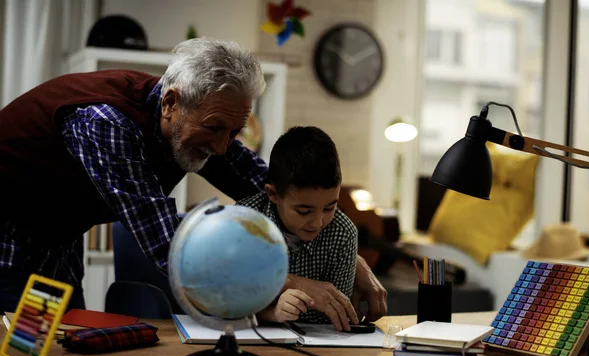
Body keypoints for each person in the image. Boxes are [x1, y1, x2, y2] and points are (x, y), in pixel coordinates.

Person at [0, 37, 387, 322]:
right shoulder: (106, 124)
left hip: (58, 238)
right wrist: (294, 282)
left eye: (234, 132)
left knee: (64, 353)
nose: (222, 148)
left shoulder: (200, 120)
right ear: (171, 103)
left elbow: (278, 190)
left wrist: (345, 252)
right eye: (215, 129)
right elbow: (174, 248)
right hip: (8, 235)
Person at [237, 126, 357, 330]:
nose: (318, 222)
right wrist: (273, 312)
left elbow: (332, 317)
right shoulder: (243, 223)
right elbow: (227, 300)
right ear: (273, 194)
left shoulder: (343, 234)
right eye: (304, 211)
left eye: (330, 207)